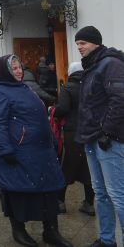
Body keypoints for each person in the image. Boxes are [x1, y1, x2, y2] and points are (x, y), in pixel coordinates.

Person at [0, 54, 72, 247]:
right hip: (18, 151)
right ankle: (19, 230)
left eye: (19, 68)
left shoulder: (24, 87)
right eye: (14, 68)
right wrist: (5, 149)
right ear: (4, 71)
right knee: (18, 192)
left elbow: (39, 117)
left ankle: (51, 231)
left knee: (47, 191)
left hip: (40, 152)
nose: (18, 72)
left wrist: (51, 140)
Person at [74, 26, 124, 247]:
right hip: (92, 139)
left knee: (118, 195)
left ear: (95, 42)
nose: (79, 48)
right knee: (100, 193)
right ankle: (106, 240)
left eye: (82, 43)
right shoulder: (92, 65)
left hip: (109, 141)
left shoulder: (110, 64)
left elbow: (120, 100)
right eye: (77, 44)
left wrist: (107, 131)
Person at [53, 62, 95, 216]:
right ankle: (89, 204)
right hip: (89, 131)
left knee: (66, 165)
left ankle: (60, 202)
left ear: (70, 72)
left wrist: (54, 111)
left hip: (72, 132)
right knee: (88, 168)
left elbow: (63, 108)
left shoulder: (68, 87)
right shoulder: (90, 86)